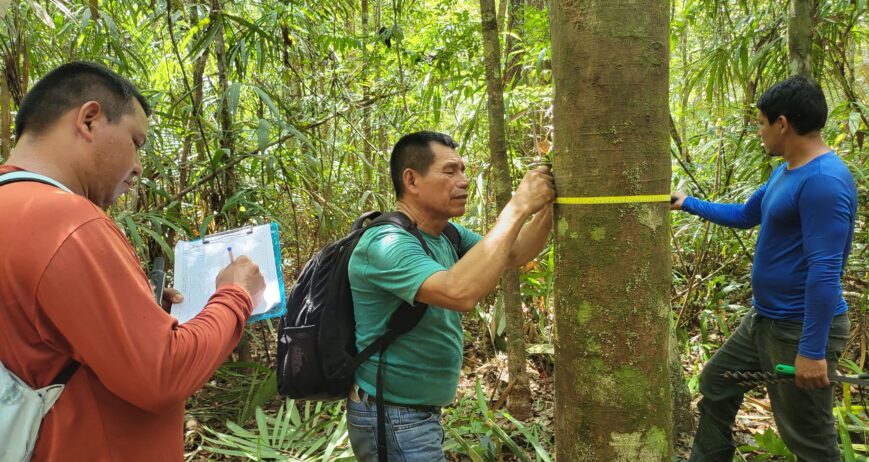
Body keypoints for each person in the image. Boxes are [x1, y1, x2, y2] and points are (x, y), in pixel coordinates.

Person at [0, 61, 266, 460]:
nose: (139, 166)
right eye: (136, 142)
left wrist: (138, 315)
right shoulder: (67, 222)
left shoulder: (11, 206)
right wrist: (235, 294)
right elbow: (163, 374)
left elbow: (40, 341)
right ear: (89, 120)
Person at [671, 76, 857, 461]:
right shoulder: (785, 171)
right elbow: (744, 215)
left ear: (783, 124)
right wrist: (687, 202)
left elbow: (824, 271)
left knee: (810, 440)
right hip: (764, 321)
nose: (759, 131)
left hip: (797, 329)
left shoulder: (823, 182)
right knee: (717, 381)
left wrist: (812, 351)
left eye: (760, 122)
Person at [345, 131, 555, 461]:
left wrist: (550, 207)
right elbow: (459, 293)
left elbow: (513, 253)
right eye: (450, 171)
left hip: (415, 414)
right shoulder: (385, 242)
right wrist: (517, 207)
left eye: (463, 170)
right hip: (393, 415)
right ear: (412, 180)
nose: (464, 181)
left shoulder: (446, 234)